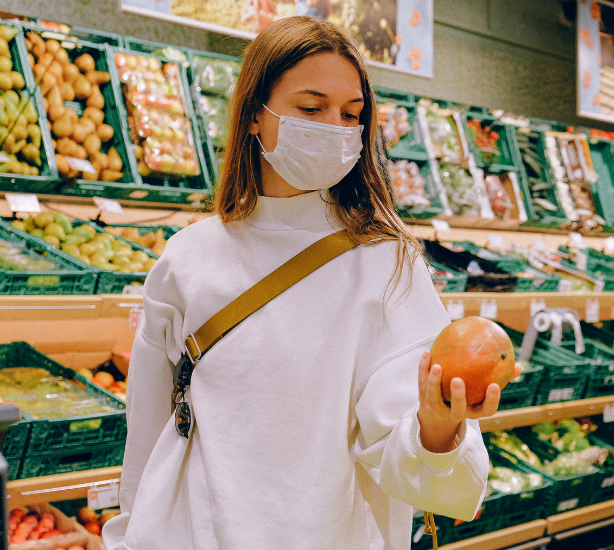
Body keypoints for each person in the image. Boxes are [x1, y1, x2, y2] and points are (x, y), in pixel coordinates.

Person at [102, 16, 518, 550]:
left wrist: (438, 429)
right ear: (255, 112)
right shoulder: (189, 259)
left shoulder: (390, 265)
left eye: (352, 114)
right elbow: (151, 431)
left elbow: (422, 465)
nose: (336, 129)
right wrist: (132, 532)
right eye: (311, 108)